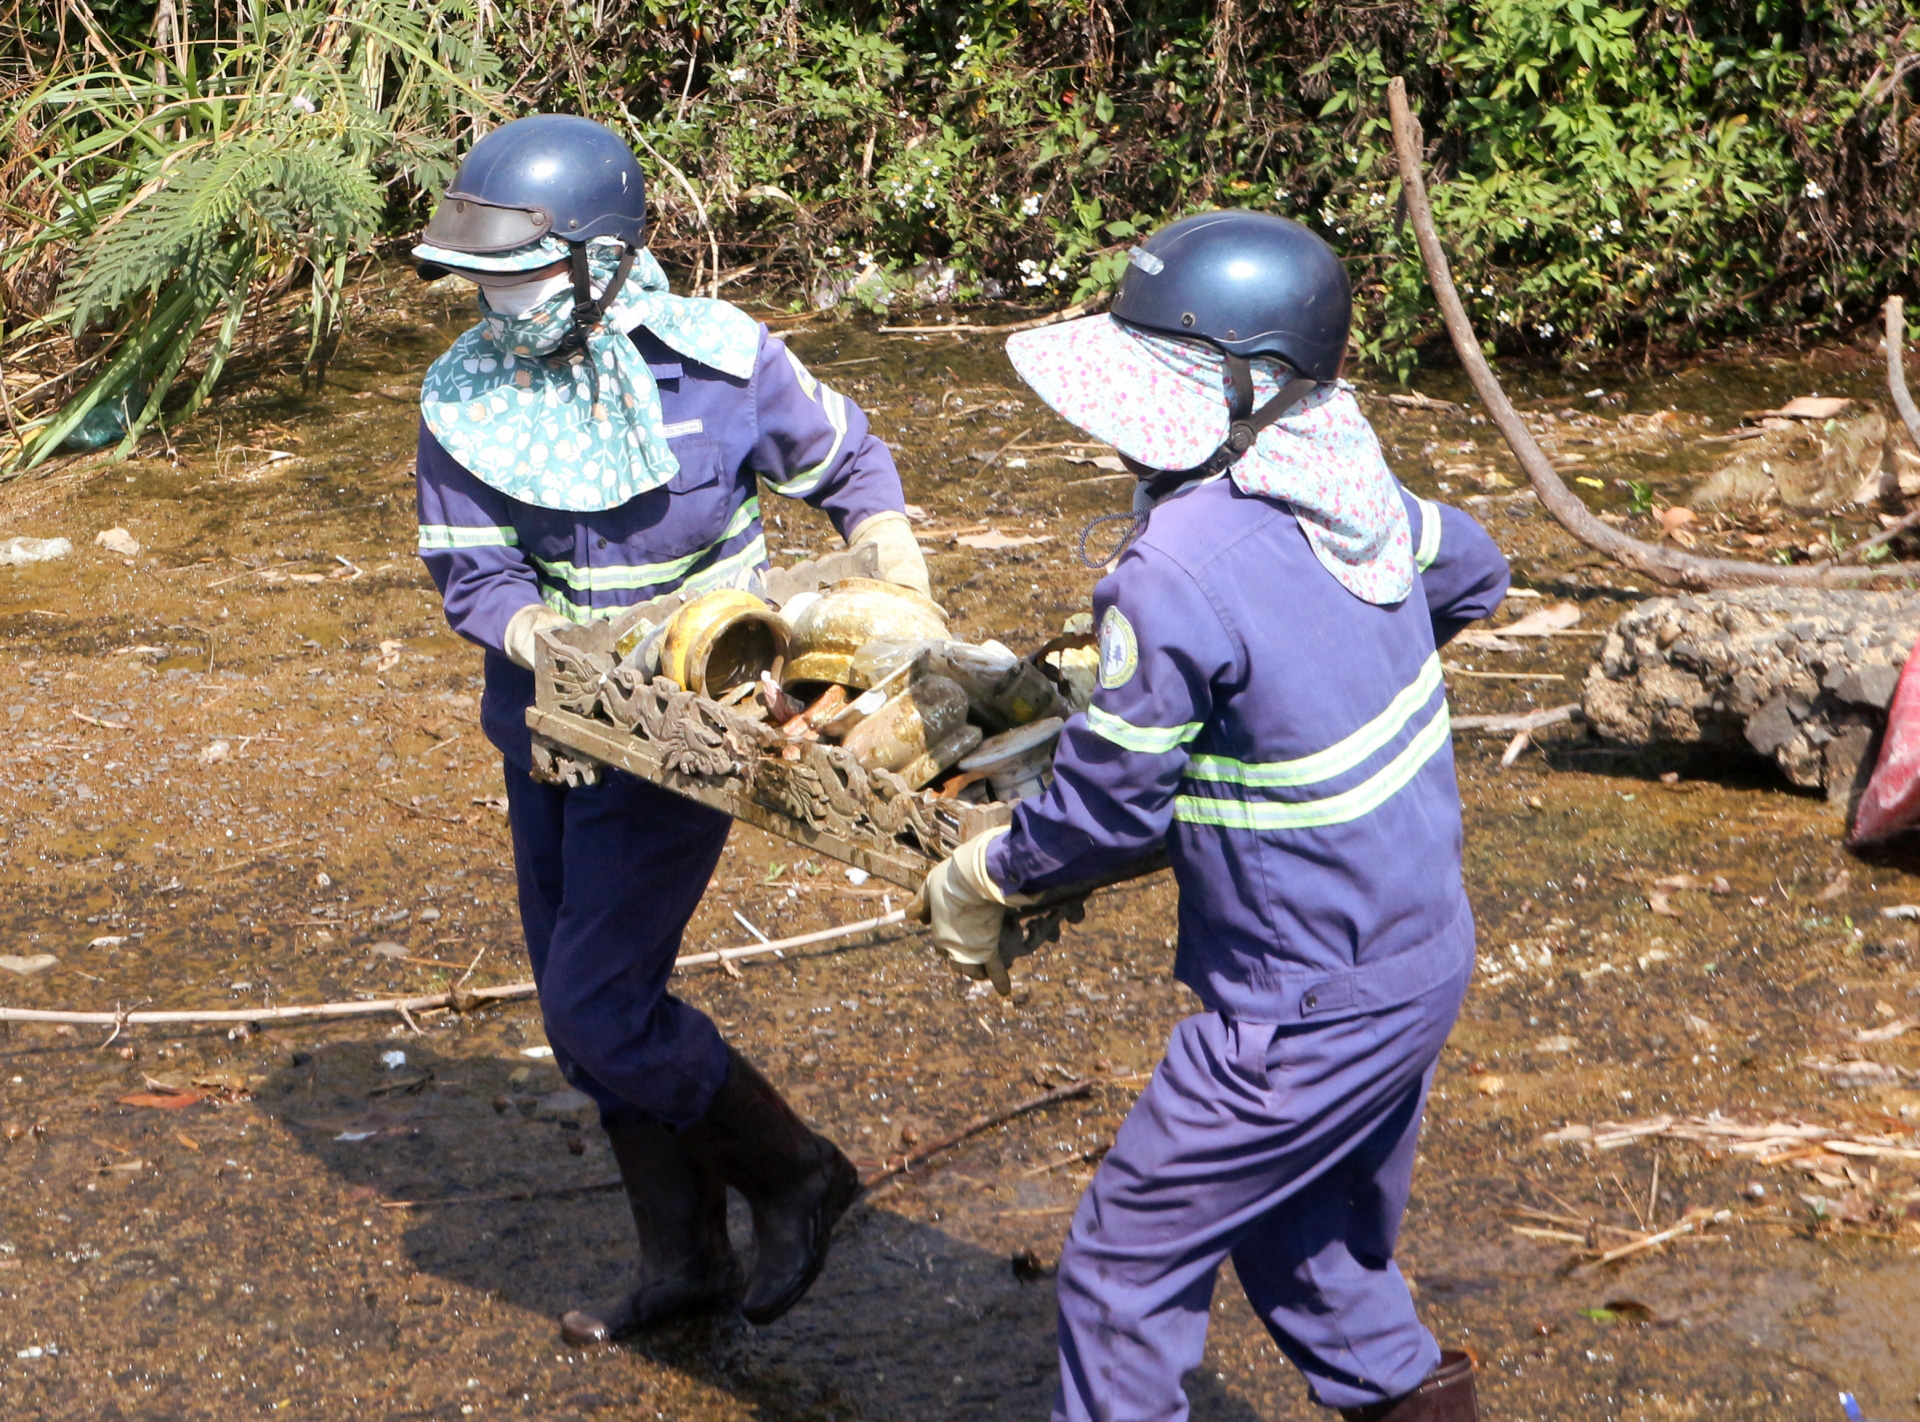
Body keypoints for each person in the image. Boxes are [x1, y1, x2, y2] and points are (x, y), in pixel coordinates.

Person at [915, 210, 1509, 1421]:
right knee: (1308, 1243)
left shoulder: (1174, 567)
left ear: (1250, 391)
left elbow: (1110, 812)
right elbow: (1476, 569)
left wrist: (994, 874)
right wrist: (1320, 666)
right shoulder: (1354, 485)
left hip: (1297, 1001)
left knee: (1122, 1272)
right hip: (1419, 948)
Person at [410, 114, 931, 1343]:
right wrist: (539, 639)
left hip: (692, 727)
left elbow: (848, 460)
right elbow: (475, 576)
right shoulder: (463, 397)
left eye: (517, 275)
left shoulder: (723, 361)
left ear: (601, 260)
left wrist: (892, 560)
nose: (495, 302)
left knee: (599, 1008)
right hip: (547, 724)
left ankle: (797, 1170)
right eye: (479, 279)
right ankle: (683, 1261)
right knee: (584, 1006)